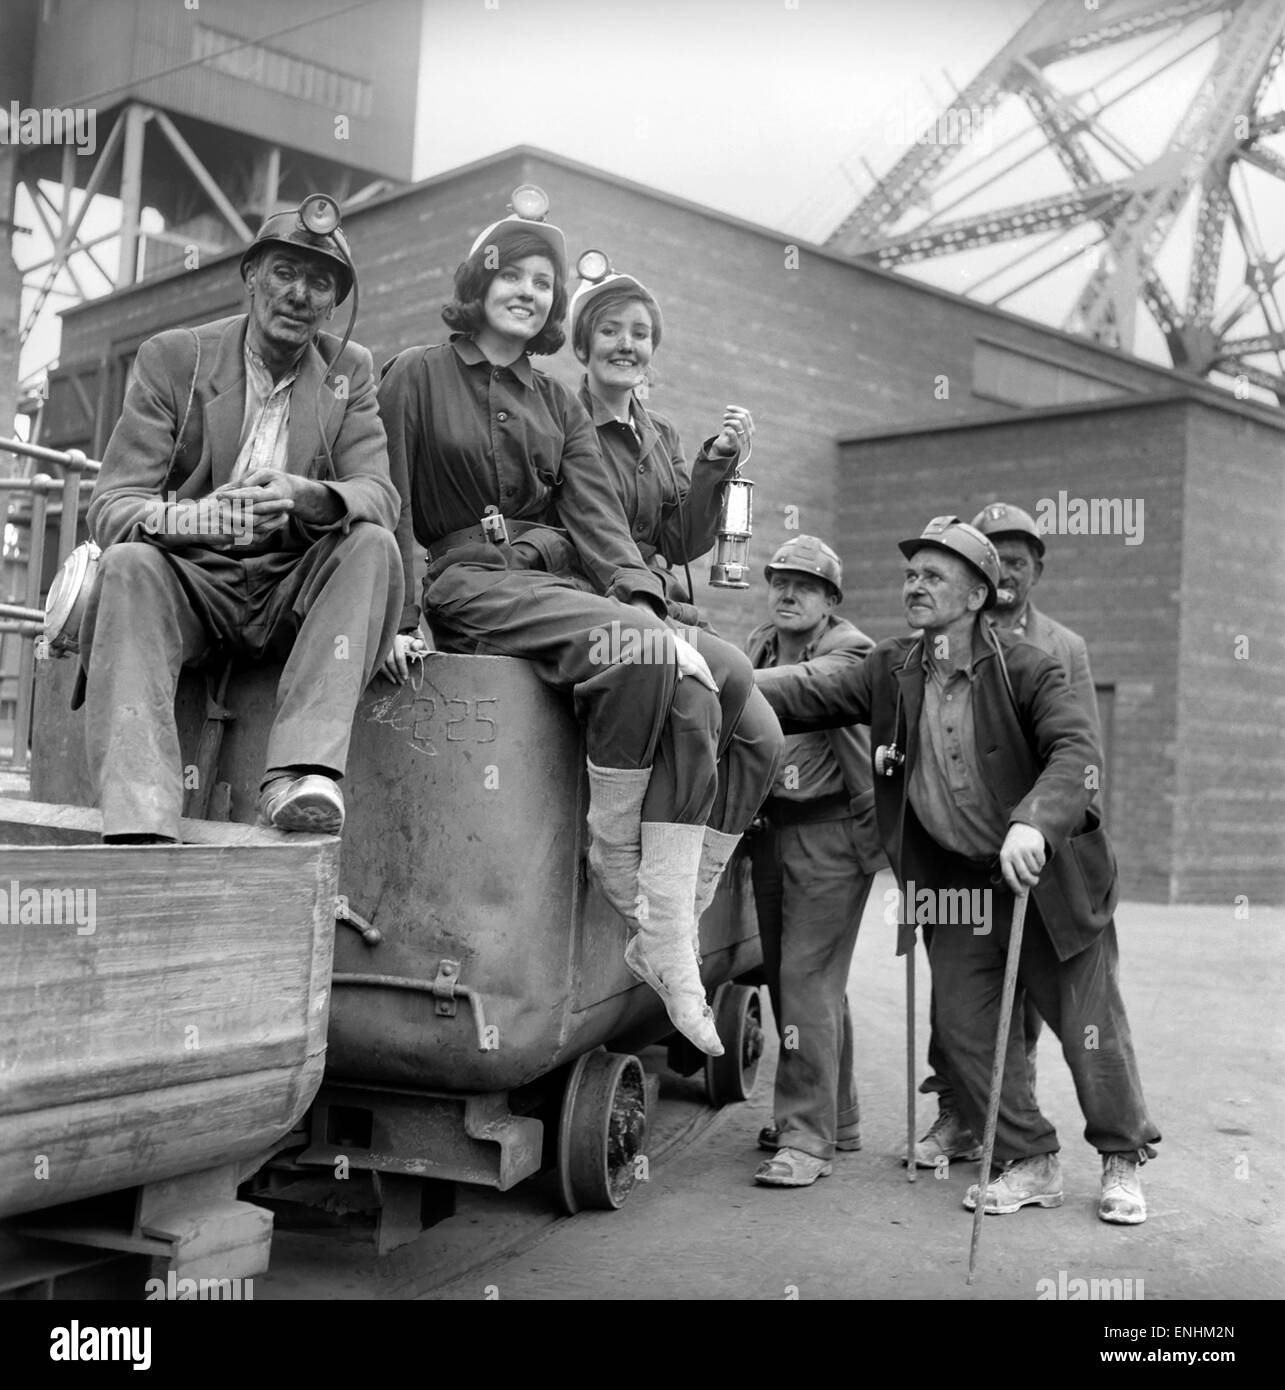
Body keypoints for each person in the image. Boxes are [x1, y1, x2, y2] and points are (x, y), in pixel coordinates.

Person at [376, 191, 729, 1055]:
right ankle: (617, 868)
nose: (529, 290)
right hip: (459, 586)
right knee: (648, 654)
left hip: (540, 584)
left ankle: (668, 937)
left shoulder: (558, 403)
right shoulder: (416, 372)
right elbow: (385, 500)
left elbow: (598, 522)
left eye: (545, 281)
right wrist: (396, 610)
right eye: (513, 273)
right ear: (478, 280)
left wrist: (644, 603)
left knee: (691, 683)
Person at [754, 515, 1159, 1223]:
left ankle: (1121, 1157)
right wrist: (717, 676)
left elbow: (1077, 756)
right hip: (955, 888)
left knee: (1088, 1029)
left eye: (932, 577)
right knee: (965, 1033)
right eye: (910, 575)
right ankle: (1028, 1157)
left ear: (976, 597)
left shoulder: (1031, 669)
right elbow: (803, 695)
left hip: (1046, 882)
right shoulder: (889, 668)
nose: (913, 586)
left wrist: (1033, 820)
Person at [81, 200, 403, 842]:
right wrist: (194, 518)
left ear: (334, 303)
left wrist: (307, 495)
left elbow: (379, 494)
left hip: (288, 589)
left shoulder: (351, 371)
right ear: (251, 275)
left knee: (371, 545)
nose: (298, 295)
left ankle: (300, 777)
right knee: (127, 564)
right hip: (192, 584)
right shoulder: (173, 358)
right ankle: (139, 818)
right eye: (284, 272)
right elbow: (111, 507)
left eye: (319, 284)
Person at [568, 259, 782, 942]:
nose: (626, 344)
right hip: (593, 600)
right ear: (582, 344)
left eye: (640, 332)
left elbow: (680, 539)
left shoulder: (657, 434)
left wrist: (717, 463)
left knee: (763, 738)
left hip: (654, 603)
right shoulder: (558, 421)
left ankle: (688, 896)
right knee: (701, 699)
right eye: (610, 330)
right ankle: (634, 874)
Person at [912, 500, 1104, 1169]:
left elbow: (1080, 759)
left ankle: (1078, 1146)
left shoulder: (1057, 649)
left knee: (1050, 1011)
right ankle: (959, 1113)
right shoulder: (936, 640)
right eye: (996, 557)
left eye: (1018, 561)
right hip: (955, 869)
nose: (1006, 572)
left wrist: (1044, 826)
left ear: (1034, 571)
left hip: (1035, 861)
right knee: (958, 1006)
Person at [742, 537, 884, 1188]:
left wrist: (719, 676)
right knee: (798, 981)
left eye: (804, 585)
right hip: (774, 833)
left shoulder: (848, 650)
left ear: (831, 601)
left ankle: (804, 1139)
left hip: (831, 836)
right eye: (778, 582)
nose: (787, 593)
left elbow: (808, 691)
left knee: (804, 981)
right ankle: (839, 1117)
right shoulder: (757, 648)